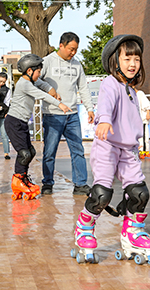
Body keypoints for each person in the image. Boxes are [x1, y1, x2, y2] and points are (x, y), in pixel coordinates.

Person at [72, 35, 150, 265]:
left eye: (136, 59)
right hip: (108, 147)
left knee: (140, 194)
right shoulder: (111, 83)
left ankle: (133, 232)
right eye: (127, 58)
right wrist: (104, 120)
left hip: (128, 150)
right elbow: (106, 103)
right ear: (114, 61)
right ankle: (85, 228)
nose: (132, 64)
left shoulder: (132, 90)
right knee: (102, 194)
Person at [5, 54, 67, 201]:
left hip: (21, 122)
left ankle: (22, 178)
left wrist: (51, 89)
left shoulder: (31, 80)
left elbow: (42, 85)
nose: (40, 74)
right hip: (13, 122)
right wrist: (59, 104)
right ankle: (18, 180)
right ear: (29, 71)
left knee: (30, 152)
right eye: (38, 71)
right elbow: (41, 95)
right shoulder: (24, 84)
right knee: (24, 154)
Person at [40, 32, 95, 195]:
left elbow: (83, 87)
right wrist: (48, 89)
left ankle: (80, 184)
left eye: (76, 50)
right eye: (71, 49)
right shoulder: (47, 61)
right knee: (50, 151)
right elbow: (35, 80)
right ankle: (48, 183)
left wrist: (89, 108)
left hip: (72, 115)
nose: (73, 53)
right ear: (61, 45)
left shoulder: (77, 65)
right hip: (52, 114)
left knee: (77, 149)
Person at [136, 88, 150, 153]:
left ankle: (145, 150)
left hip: (142, 119)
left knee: (144, 135)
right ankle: (140, 150)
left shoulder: (140, 93)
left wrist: (148, 114)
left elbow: (147, 105)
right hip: (135, 120)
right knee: (138, 136)